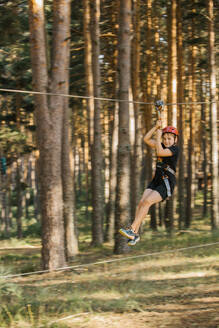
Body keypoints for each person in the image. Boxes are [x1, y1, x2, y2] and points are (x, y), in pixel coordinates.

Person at [119, 120, 179, 246]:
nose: (167, 141)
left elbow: (160, 153)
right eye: (165, 138)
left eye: (169, 139)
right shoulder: (160, 144)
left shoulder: (174, 149)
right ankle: (135, 234)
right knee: (141, 203)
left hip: (166, 182)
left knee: (147, 202)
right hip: (156, 180)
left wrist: (158, 138)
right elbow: (146, 139)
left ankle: (132, 229)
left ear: (175, 140)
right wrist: (156, 127)